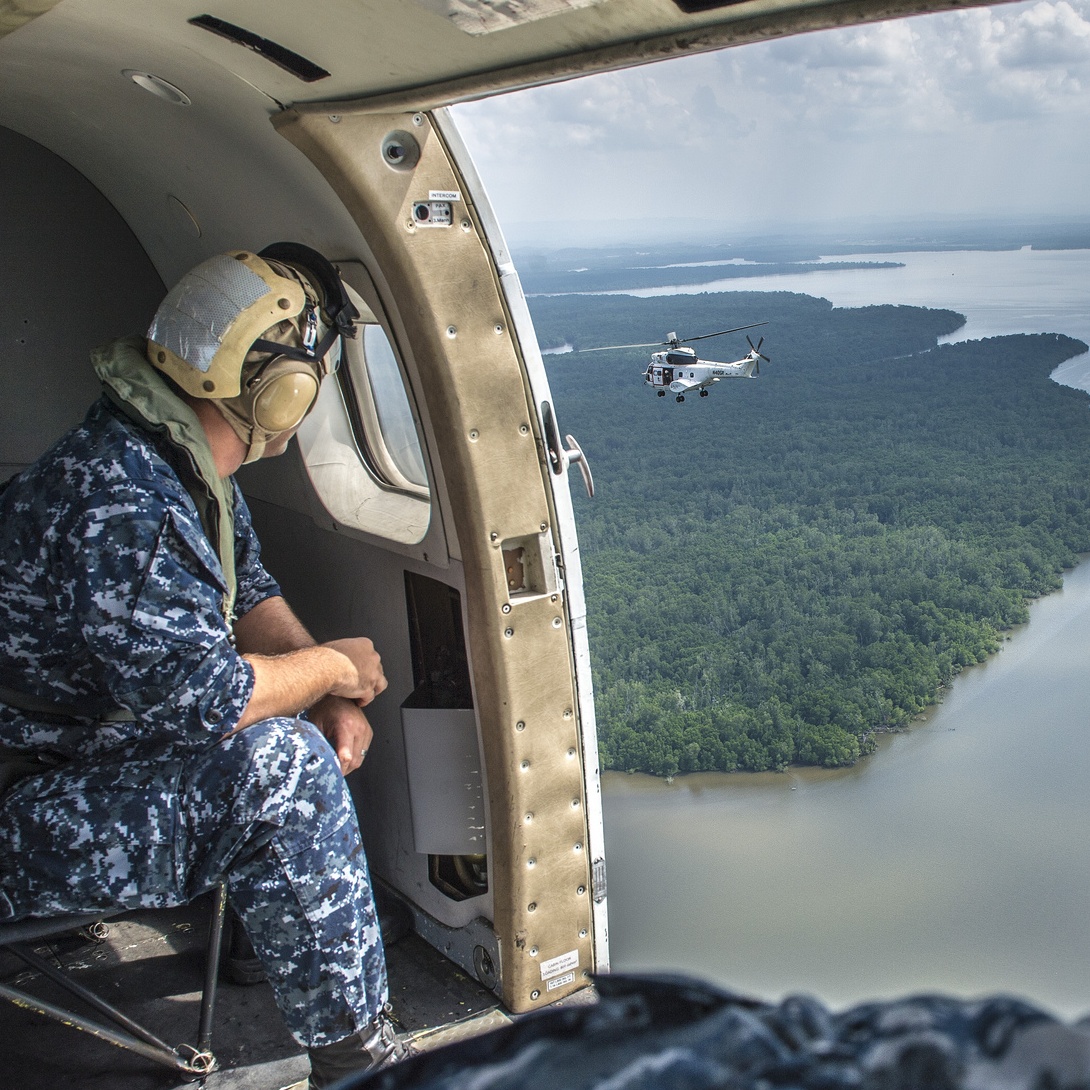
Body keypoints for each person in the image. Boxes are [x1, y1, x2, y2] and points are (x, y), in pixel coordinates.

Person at [0, 245, 403, 1087]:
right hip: (23, 800)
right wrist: (331, 668)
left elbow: (246, 583)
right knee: (283, 771)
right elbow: (207, 706)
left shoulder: (170, 456)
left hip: (68, 754)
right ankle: (360, 1063)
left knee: (285, 720)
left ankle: (285, 942)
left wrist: (313, 676)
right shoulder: (125, 502)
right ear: (275, 389)